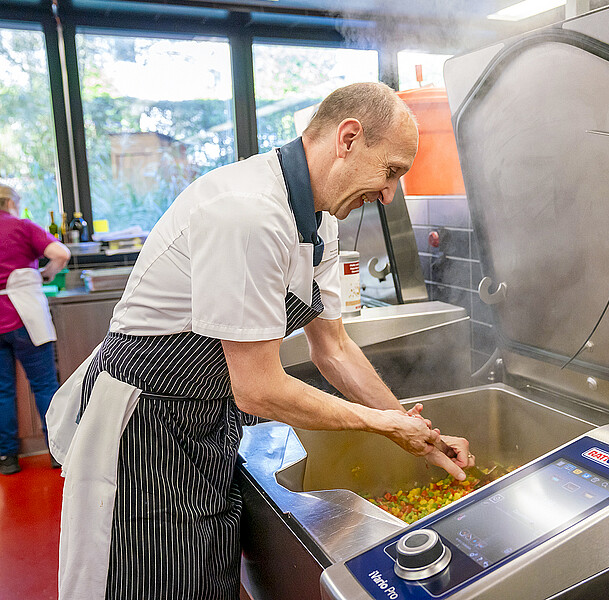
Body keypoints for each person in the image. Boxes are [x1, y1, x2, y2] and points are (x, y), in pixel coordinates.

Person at [46, 82, 474, 599]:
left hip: (208, 416)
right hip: (145, 428)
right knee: (144, 583)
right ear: (348, 138)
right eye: (391, 172)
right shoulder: (247, 211)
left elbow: (333, 348)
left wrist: (413, 429)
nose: (388, 195)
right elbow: (258, 389)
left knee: (206, 578)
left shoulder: (322, 219)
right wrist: (383, 425)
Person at [0, 185, 71, 475]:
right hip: (25, 318)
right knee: (44, 386)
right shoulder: (21, 226)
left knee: (2, 391)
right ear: (11, 202)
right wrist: (46, 273)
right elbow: (61, 253)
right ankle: (57, 451)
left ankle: (7, 458)